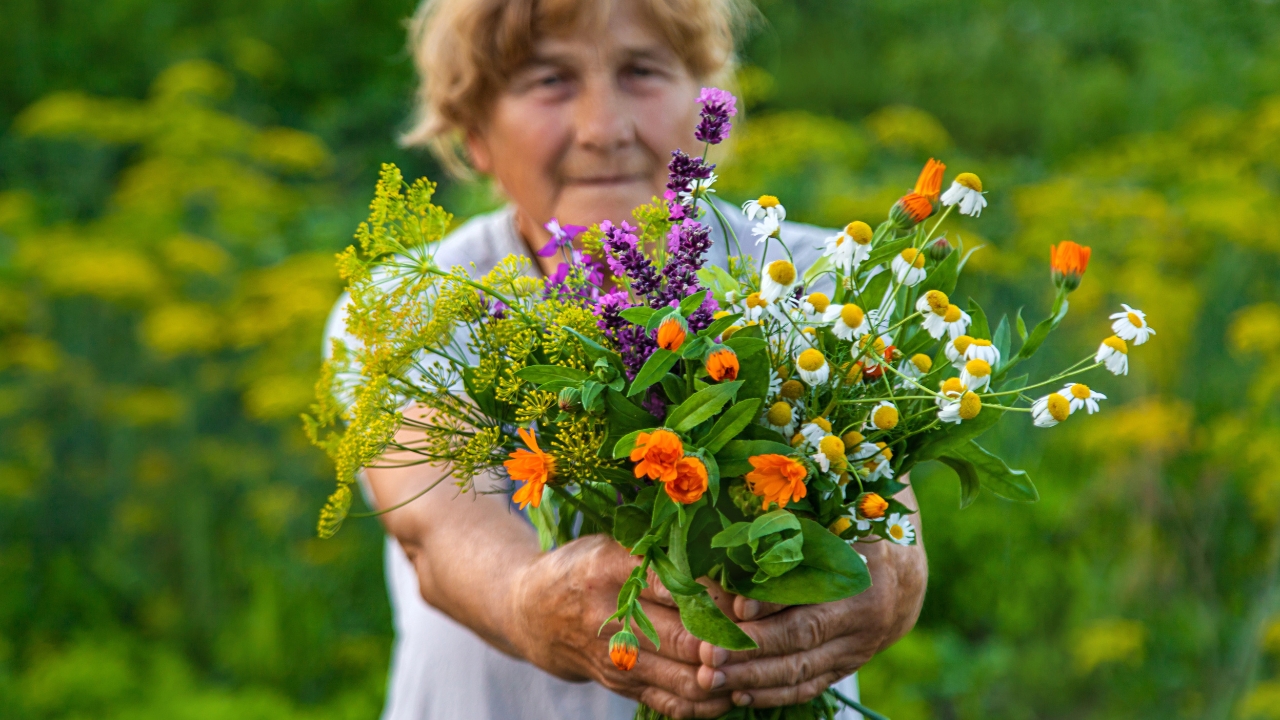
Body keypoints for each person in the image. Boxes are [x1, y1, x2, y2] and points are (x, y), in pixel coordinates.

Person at [323, 0, 928, 717]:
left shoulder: (817, 281)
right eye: (549, 80)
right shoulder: (406, 308)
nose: (603, 129)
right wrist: (528, 601)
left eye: (642, 71)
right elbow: (436, 534)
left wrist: (885, 582)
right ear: (473, 130)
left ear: (709, 106)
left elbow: (886, 515)